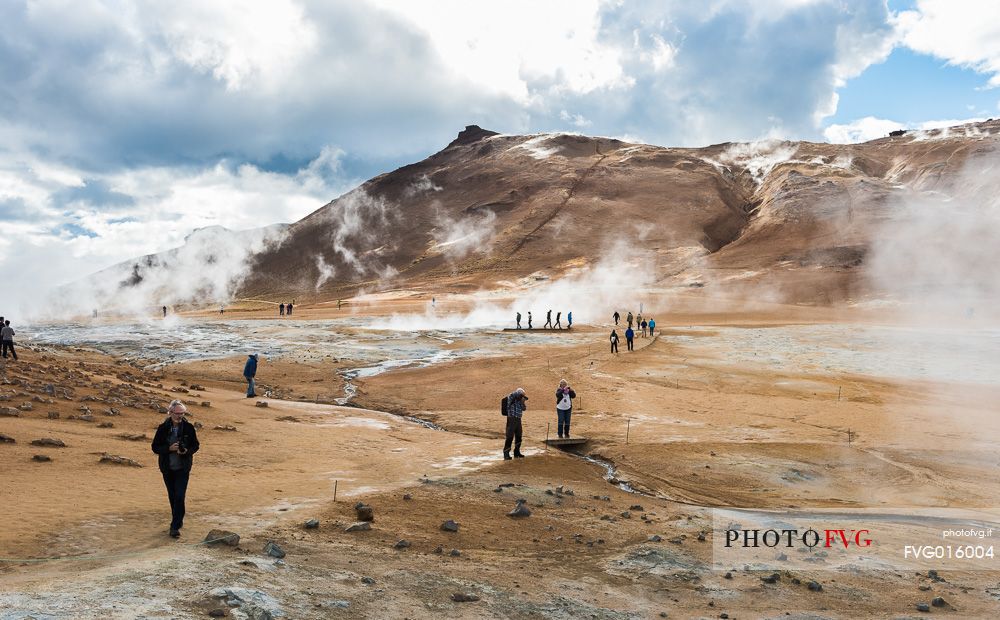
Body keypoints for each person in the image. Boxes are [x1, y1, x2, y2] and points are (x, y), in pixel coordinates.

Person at [151, 400, 199, 538]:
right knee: (173, 496)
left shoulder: (189, 427)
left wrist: (186, 451)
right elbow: (155, 447)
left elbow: (195, 446)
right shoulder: (163, 428)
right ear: (170, 412)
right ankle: (177, 519)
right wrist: (168, 449)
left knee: (179, 495)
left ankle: (175, 526)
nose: (180, 416)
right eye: (177, 413)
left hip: (183, 468)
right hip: (167, 468)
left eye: (182, 413)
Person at [503, 388, 528, 460]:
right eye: (522, 395)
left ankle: (517, 452)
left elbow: (524, 409)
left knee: (519, 436)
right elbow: (513, 395)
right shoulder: (511, 396)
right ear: (519, 393)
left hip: (518, 419)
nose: (523, 396)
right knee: (510, 436)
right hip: (511, 418)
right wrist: (520, 395)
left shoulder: (520, 400)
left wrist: (523, 402)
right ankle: (506, 453)